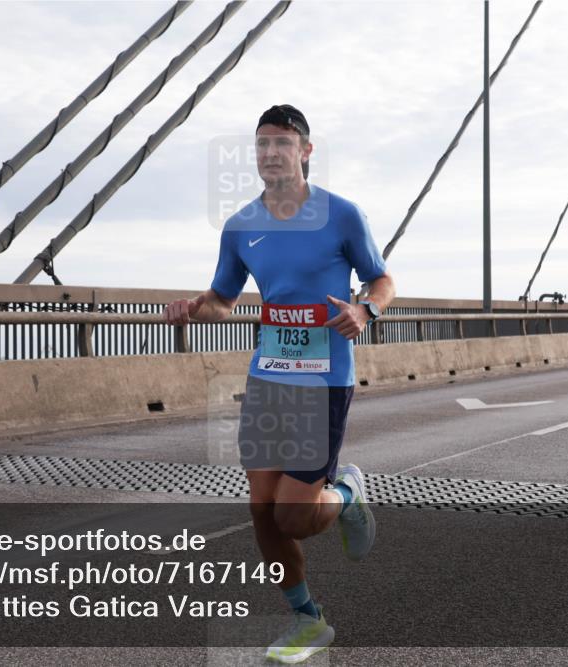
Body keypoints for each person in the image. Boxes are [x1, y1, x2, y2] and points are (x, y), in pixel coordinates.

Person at [164, 104, 395, 663]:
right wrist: (197, 308)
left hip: (325, 380)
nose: (270, 153)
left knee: (295, 516)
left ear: (305, 152)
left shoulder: (341, 215)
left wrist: (365, 310)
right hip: (268, 378)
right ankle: (307, 620)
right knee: (262, 513)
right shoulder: (241, 226)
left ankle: (347, 494)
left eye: (282, 143)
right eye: (262, 144)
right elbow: (224, 299)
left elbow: (382, 279)